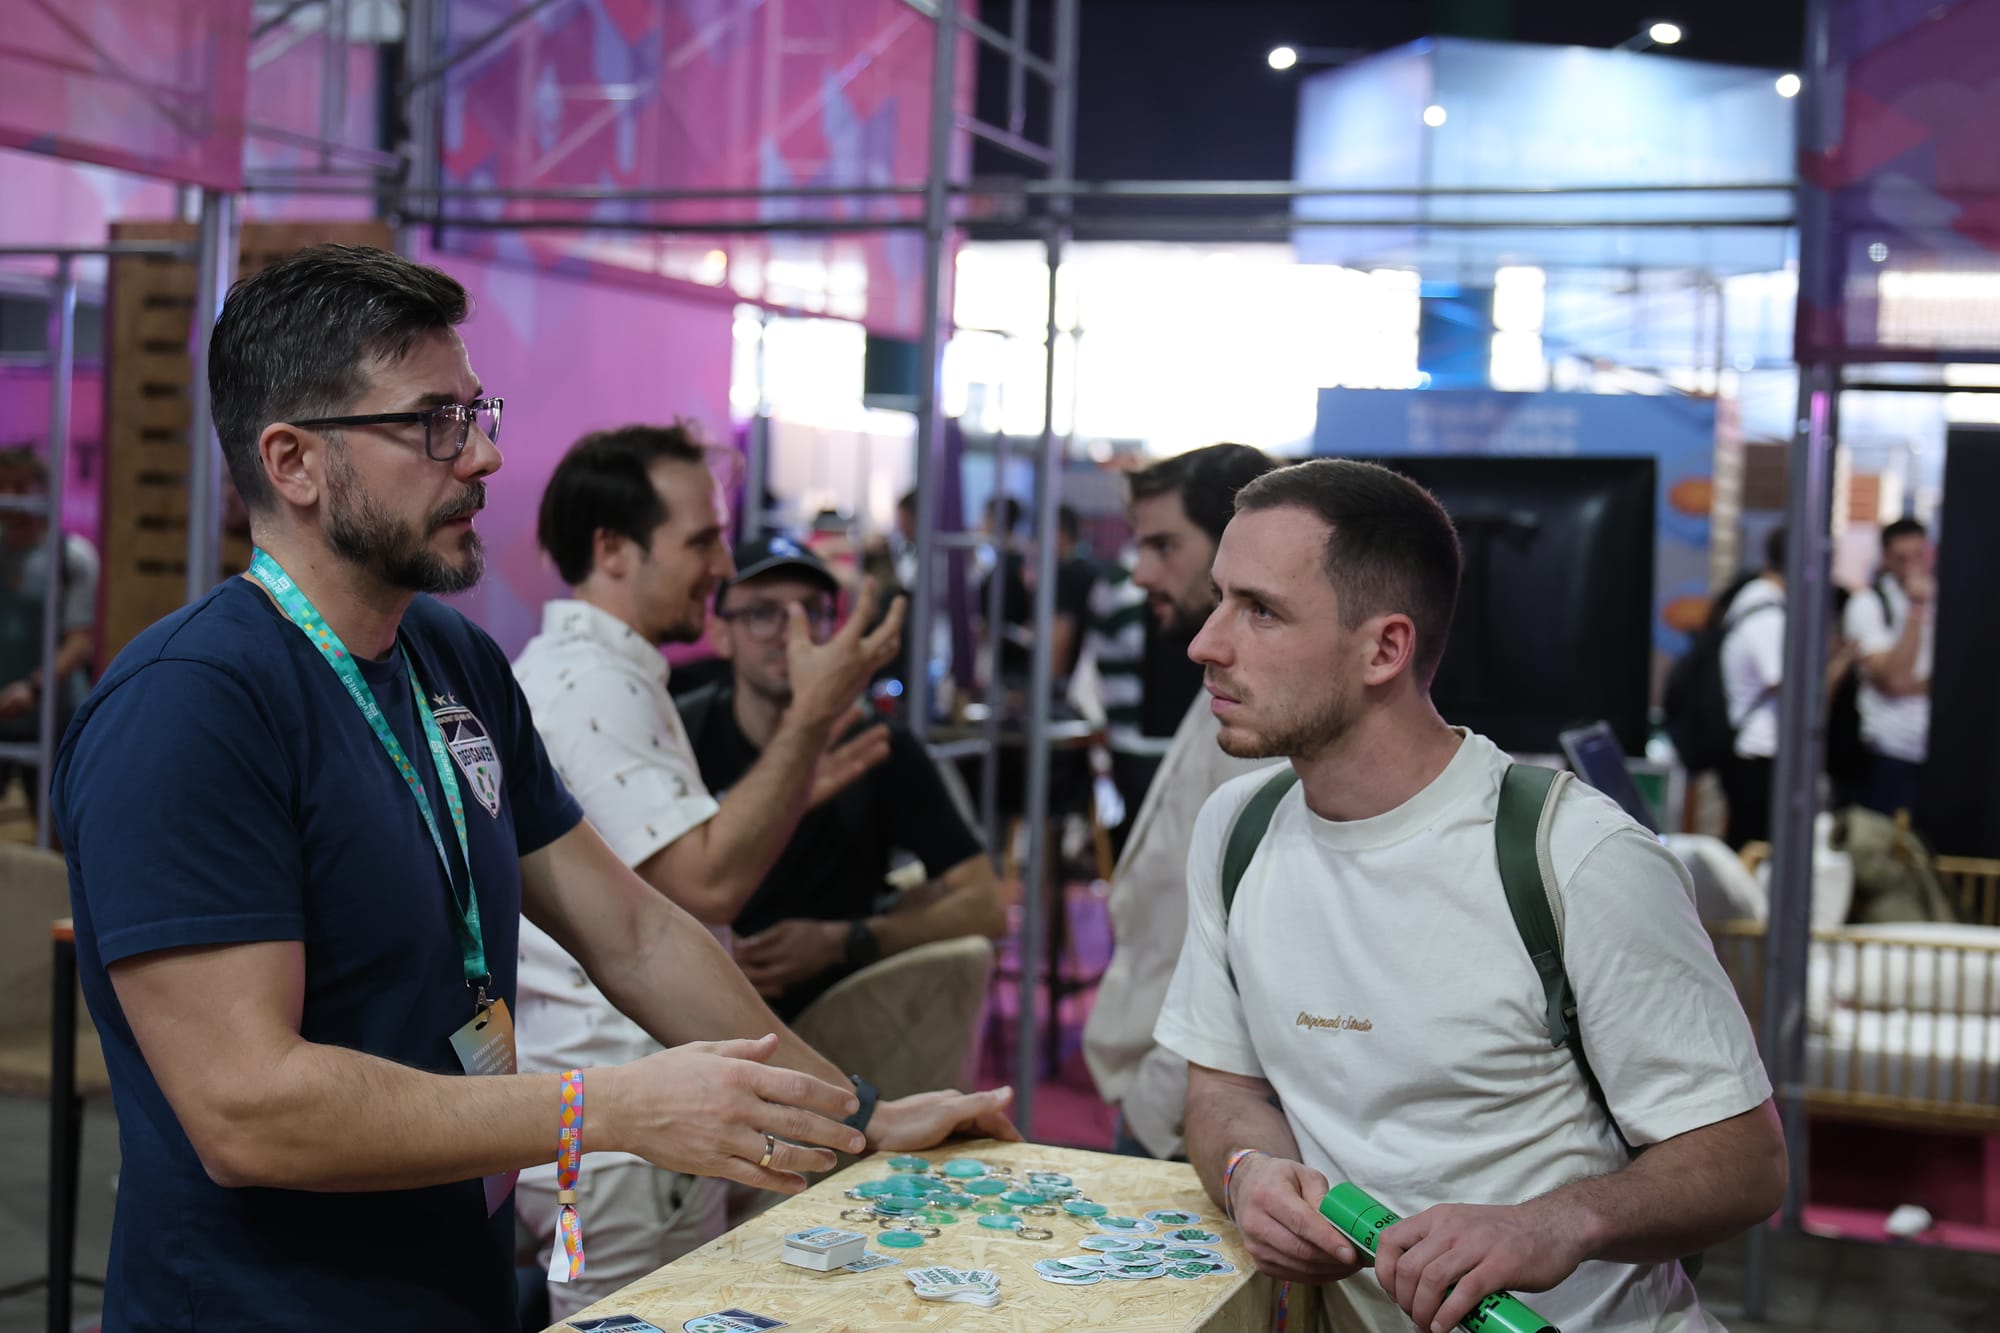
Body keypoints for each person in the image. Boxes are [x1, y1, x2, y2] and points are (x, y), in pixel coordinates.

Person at [52, 245, 1014, 1332]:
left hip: (449, 1286)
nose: (485, 455)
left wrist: (849, 1116)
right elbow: (248, 1110)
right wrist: (604, 1107)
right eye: (434, 423)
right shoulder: (189, 707)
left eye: (475, 412)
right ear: (294, 461)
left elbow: (635, 933)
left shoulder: (450, 661)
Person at [1156, 458, 1784, 1333]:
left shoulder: (1574, 855)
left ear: (1385, 648)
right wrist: (1247, 1170)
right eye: (1220, 598)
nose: (1206, 643)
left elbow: (1746, 1161)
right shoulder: (1238, 827)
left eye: (1260, 610)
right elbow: (1222, 1087)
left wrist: (1553, 1222)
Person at [510, 426, 929, 1319]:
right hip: (621, 1138)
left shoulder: (612, 675)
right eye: (702, 540)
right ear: (612, 549)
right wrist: (810, 718)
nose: (723, 568)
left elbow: (670, 896)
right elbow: (698, 893)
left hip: (632, 1125)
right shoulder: (592, 684)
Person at [678, 534, 1007, 1019]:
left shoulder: (875, 745)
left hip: (842, 1021)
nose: (792, 634)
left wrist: (845, 941)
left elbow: (985, 906)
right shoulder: (681, 734)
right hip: (691, 1012)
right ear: (721, 633)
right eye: (763, 614)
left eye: (811, 612)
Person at [1082, 443, 1277, 1161]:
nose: (1140, 573)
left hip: (1184, 1105)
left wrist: (1161, 1104)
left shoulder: (1274, 722)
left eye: (1164, 546)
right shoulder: (1229, 687)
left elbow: (1249, 965)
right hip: (1171, 1094)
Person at [0, 444, 98, 780]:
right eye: (2, 485)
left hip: (56, 717)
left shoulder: (72, 556)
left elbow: (79, 641)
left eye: (20, 487)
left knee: (57, 811)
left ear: (42, 491)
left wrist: (32, 689)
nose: (9, 497)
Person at [1842, 516, 1933, 818]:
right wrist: (1916, 609)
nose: (1913, 568)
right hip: (1889, 752)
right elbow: (1896, 679)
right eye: (1902, 559)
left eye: (1919, 556)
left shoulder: (1947, 597)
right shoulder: (1869, 604)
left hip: (1938, 752)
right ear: (1886, 559)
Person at [1718, 525, 1787, 849]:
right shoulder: (1767, 617)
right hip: (1758, 750)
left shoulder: (1759, 604)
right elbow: (1786, 685)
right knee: (1752, 851)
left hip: (1759, 749)